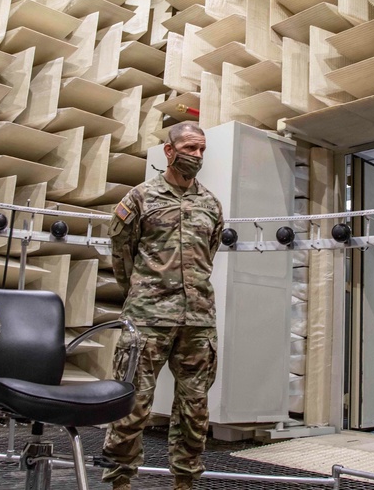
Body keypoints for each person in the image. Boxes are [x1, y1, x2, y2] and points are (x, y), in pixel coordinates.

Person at [101, 121, 224, 490]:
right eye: (189, 148)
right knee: (131, 406)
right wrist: (142, 294)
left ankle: (185, 483)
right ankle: (120, 483)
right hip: (148, 319)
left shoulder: (211, 204)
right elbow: (122, 257)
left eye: (202, 149)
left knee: (195, 410)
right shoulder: (139, 199)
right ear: (169, 151)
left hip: (197, 323)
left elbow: (209, 254)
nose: (197, 156)